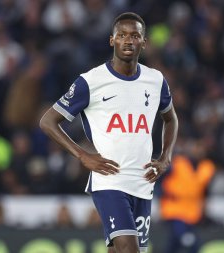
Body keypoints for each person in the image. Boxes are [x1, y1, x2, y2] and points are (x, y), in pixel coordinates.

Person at [39, 12, 178, 253]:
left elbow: (171, 118)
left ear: (143, 42)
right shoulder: (91, 81)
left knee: (119, 250)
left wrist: (166, 156)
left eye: (134, 35)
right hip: (110, 180)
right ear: (111, 40)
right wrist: (82, 155)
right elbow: (48, 121)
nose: (128, 40)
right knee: (129, 250)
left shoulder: (155, 81)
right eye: (122, 35)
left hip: (143, 181)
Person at [160, 138, 215, 253]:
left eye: (201, 148)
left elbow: (205, 192)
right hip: (174, 209)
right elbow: (159, 179)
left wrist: (205, 211)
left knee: (174, 244)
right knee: (188, 241)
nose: (198, 150)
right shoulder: (177, 163)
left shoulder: (207, 167)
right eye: (196, 147)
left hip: (192, 212)